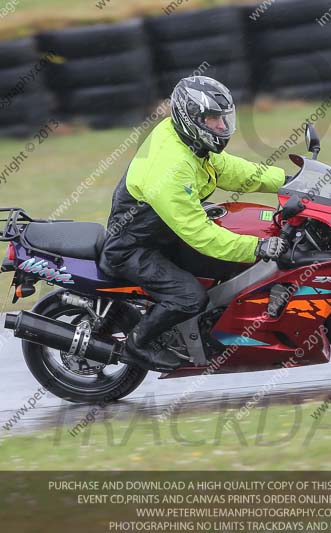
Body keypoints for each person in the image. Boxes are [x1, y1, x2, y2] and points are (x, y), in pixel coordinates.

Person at [100, 76, 289, 372]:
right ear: (191, 118)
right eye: (213, 119)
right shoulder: (172, 167)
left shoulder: (188, 141)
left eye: (223, 119)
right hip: (134, 248)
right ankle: (137, 344)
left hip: (167, 234)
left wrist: (286, 182)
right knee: (189, 297)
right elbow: (200, 235)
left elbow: (228, 169)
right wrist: (259, 247)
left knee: (230, 265)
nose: (221, 127)